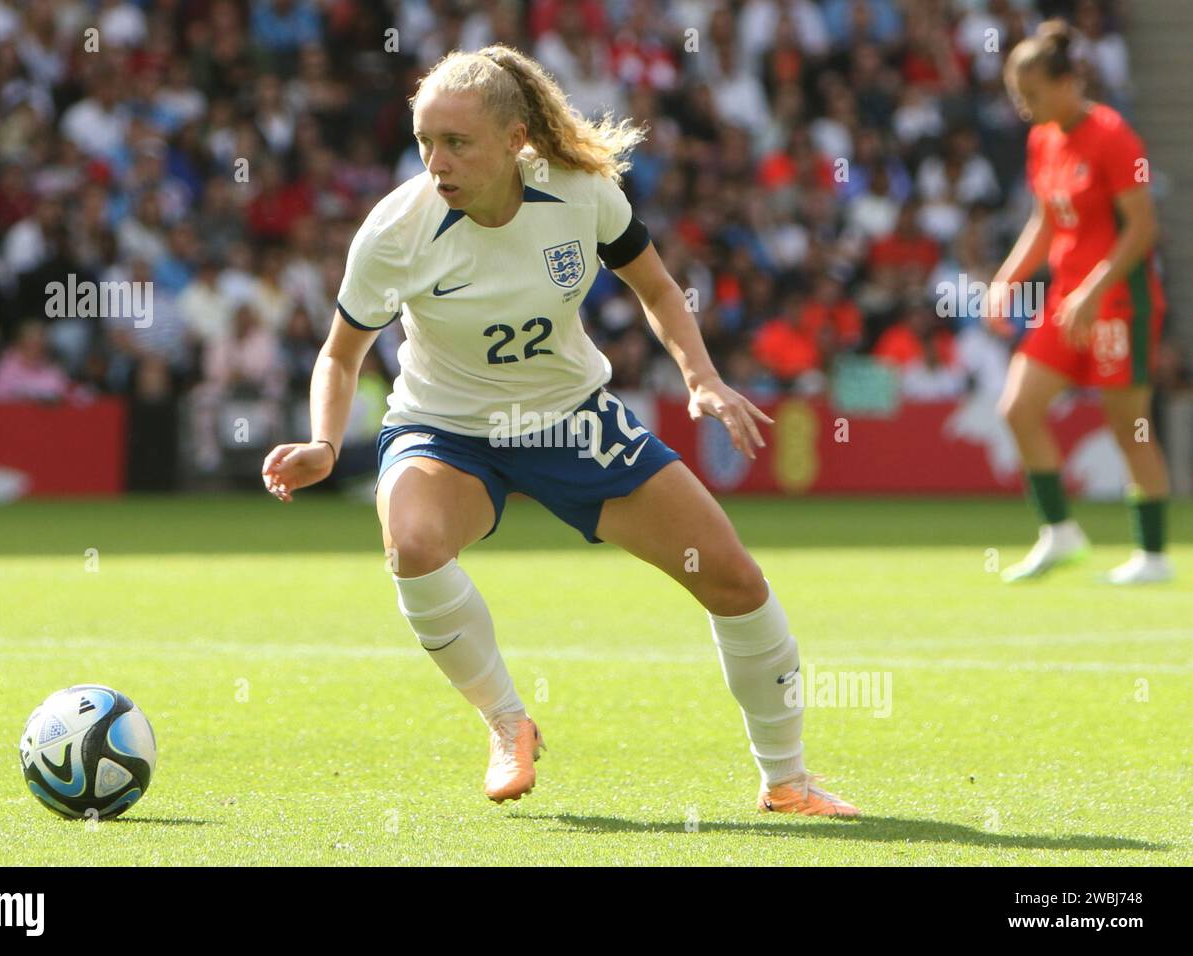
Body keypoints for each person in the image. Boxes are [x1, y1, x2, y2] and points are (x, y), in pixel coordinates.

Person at [262, 45, 860, 816]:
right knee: (412, 544)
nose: (435, 161)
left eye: (456, 142)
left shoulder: (580, 192)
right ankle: (509, 723)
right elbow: (340, 356)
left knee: (734, 579)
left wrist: (702, 378)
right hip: (446, 430)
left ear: (516, 140)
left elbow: (658, 288)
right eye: (424, 142)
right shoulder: (395, 232)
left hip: (571, 422)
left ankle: (787, 782)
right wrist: (322, 440)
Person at [989, 20, 1171, 584]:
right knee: (1018, 407)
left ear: (1067, 82)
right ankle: (1060, 532)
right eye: (1018, 96)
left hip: (1119, 303)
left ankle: (1154, 556)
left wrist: (1094, 288)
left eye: (1033, 94)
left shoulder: (1114, 136)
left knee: (1128, 427)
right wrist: (1007, 278)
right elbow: (1046, 219)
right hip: (1068, 300)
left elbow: (1143, 229)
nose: (1025, 106)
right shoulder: (1043, 137)